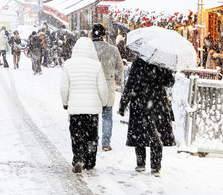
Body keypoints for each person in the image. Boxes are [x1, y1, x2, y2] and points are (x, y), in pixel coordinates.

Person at [118, 56, 176, 176]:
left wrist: (123, 103)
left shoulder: (138, 61)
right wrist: (167, 70)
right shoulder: (161, 61)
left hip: (140, 102)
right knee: (156, 134)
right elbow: (170, 82)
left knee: (139, 131)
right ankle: (156, 166)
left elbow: (131, 83)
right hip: (157, 102)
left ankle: (140, 163)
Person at [60, 37, 109, 173]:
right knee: (91, 135)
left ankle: (78, 158)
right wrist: (103, 103)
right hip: (92, 108)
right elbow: (103, 88)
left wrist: (65, 103)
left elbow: (64, 87)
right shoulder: (96, 65)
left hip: (75, 108)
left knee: (76, 134)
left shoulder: (68, 64)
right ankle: (90, 161)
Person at [91, 23, 124, 152]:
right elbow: (120, 69)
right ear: (104, 35)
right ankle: (105, 143)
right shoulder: (113, 50)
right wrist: (113, 79)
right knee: (107, 115)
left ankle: (93, 141)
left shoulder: (89, 49)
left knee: (93, 115)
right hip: (108, 85)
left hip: (93, 86)